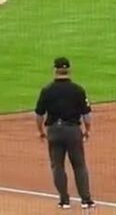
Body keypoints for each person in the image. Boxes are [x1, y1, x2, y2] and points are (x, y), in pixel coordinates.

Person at [34, 57, 96, 210]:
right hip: (73, 130)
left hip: (54, 131)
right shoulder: (78, 90)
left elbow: (39, 115)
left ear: (55, 70)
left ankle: (64, 200)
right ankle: (86, 200)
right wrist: (87, 130)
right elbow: (87, 114)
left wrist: (40, 131)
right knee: (79, 165)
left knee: (58, 166)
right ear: (69, 70)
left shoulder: (47, 90)